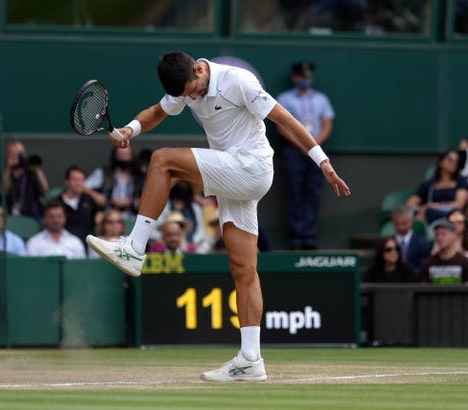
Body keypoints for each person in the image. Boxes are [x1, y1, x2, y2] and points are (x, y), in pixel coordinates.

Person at [86, 51, 350, 382]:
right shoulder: (186, 84)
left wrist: (322, 162)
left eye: (193, 89)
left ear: (199, 68)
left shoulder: (238, 81)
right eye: (186, 94)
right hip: (233, 177)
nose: (192, 97)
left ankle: (134, 248)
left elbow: (286, 120)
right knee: (244, 270)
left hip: (252, 167)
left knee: (162, 160)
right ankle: (251, 359)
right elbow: (157, 112)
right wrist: (130, 129)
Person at [276, 61, 335, 250]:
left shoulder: (321, 99)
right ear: (295, 78)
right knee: (294, 192)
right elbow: (281, 127)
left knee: (313, 192)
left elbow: (327, 123)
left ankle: (309, 236)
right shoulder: (285, 98)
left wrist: (314, 145)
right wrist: (302, 145)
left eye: (308, 76)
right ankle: (295, 237)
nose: (306, 79)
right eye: (302, 76)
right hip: (294, 151)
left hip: (316, 152)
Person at [0, 139, 49, 226]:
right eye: (14, 154)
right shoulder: (4, 173)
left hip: (32, 215)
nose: (18, 157)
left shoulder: (31, 173)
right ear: (7, 156)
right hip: (10, 215)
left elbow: (45, 190)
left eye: (20, 153)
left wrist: (37, 168)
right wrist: (8, 167)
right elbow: (2, 192)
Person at [405, 149, 468, 224]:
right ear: (441, 161)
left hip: (453, 217)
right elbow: (410, 203)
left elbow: (459, 204)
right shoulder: (429, 184)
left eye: (457, 161)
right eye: (450, 159)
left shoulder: (461, 182)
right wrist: (421, 208)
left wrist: (435, 206)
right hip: (430, 218)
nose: (453, 163)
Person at [56, 165, 107, 251]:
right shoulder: (57, 202)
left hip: (87, 245)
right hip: (64, 245)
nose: (78, 184)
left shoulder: (89, 199)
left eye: (81, 180)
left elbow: (103, 202)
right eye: (75, 180)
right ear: (67, 182)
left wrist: (100, 214)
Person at [151, 180, 205, 246]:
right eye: (179, 182)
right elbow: (156, 230)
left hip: (191, 248)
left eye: (185, 183)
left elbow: (200, 232)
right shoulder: (163, 205)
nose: (183, 185)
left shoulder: (195, 208)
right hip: (166, 246)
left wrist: (191, 245)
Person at [420, 218, 468, 284]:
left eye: (443, 234)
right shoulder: (428, 264)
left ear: (454, 235)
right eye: (437, 234)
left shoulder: (464, 263)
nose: (439, 238)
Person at [391, 205, 431, 270]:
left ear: (411, 222)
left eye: (404, 224)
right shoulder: (387, 243)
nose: (400, 227)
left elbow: (423, 267)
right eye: (397, 224)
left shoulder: (422, 244)